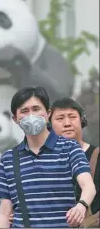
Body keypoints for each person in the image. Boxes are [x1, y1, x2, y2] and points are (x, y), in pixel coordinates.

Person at [0, 86, 96, 228]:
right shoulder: (8, 159)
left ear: (48, 113)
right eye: (24, 111)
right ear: (15, 118)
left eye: (36, 109)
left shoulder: (70, 148)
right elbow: (4, 213)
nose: (31, 115)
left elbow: (89, 186)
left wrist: (81, 206)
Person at [49, 97, 100, 227]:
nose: (67, 123)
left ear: (82, 120)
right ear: (49, 124)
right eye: (60, 118)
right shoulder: (43, 158)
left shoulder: (97, 156)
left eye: (72, 117)